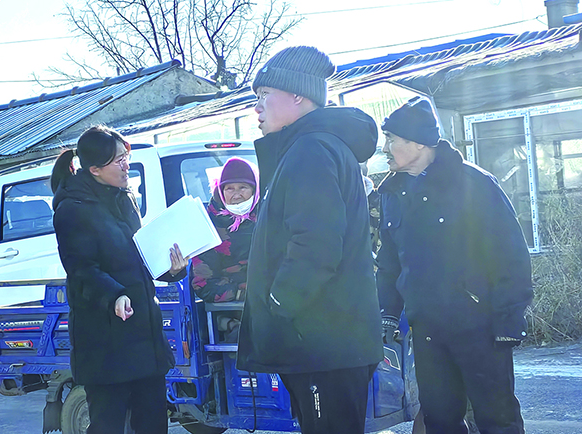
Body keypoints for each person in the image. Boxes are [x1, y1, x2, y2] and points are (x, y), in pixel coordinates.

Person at [237, 46, 383, 434]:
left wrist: (280, 303)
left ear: (297, 95)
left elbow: (315, 244)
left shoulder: (311, 150)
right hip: (324, 340)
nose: (257, 108)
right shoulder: (310, 148)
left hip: (322, 342)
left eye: (263, 95)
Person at [376, 96, 533, 434]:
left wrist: (509, 319)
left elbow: (510, 253)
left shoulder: (473, 184)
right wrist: (387, 313)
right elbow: (388, 262)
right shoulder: (391, 192)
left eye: (391, 139)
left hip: (481, 327)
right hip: (427, 332)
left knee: (497, 418)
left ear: (418, 142)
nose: (385, 147)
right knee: (441, 420)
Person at [50, 125, 187, 434]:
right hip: (105, 341)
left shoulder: (125, 198)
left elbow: (141, 255)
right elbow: (82, 269)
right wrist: (114, 295)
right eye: (117, 161)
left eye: (126, 156)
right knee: (108, 425)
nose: (126, 165)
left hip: (144, 331)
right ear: (95, 169)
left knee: (153, 424)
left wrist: (171, 268)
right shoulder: (72, 209)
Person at [191, 157, 259, 342]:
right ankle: (231, 326)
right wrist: (240, 293)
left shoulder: (269, 217)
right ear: (221, 192)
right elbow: (202, 283)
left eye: (243, 187)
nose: (236, 194)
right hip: (234, 303)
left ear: (255, 189)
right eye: (230, 188)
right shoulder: (208, 227)